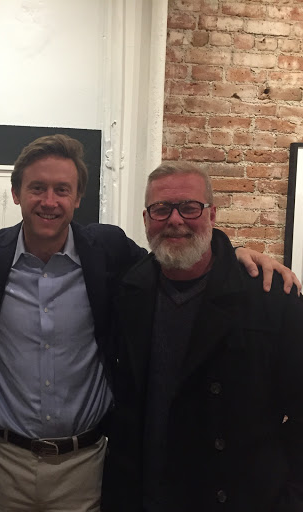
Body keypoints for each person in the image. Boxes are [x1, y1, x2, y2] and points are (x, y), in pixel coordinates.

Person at [0, 136, 299, 512]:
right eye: (37, 188)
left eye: (62, 190)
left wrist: (235, 252)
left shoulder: (108, 252)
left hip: (84, 466)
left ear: (78, 197)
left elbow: (174, 252)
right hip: (3, 463)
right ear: (16, 193)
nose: (49, 200)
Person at [102, 162, 303, 512]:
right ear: (146, 219)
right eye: (161, 209)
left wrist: (291, 499)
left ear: (211, 214)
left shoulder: (270, 297)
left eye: (189, 207)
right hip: (146, 496)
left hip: (237, 499)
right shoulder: (128, 291)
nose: (175, 220)